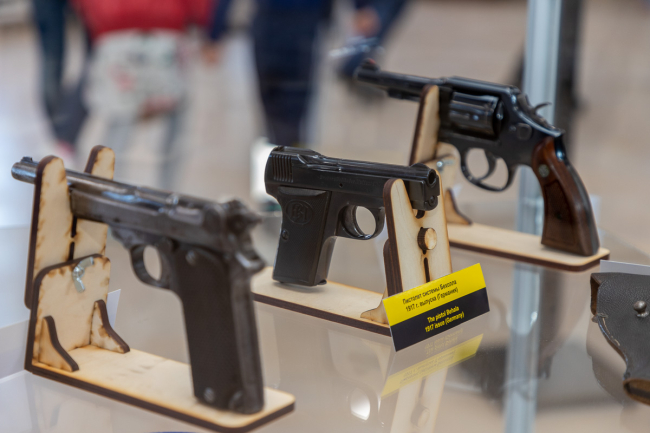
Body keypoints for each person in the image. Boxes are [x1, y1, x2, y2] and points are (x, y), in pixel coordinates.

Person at [205, 0, 410, 148]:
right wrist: (214, 33)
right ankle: (281, 168)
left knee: (292, 108)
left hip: (299, 23)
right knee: (276, 106)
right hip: (275, 21)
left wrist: (361, 7)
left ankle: (290, 169)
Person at [71, 0, 212, 189]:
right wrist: (207, 26)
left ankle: (108, 193)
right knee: (172, 131)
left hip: (116, 30)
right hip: (167, 28)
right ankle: (167, 195)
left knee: (118, 128)